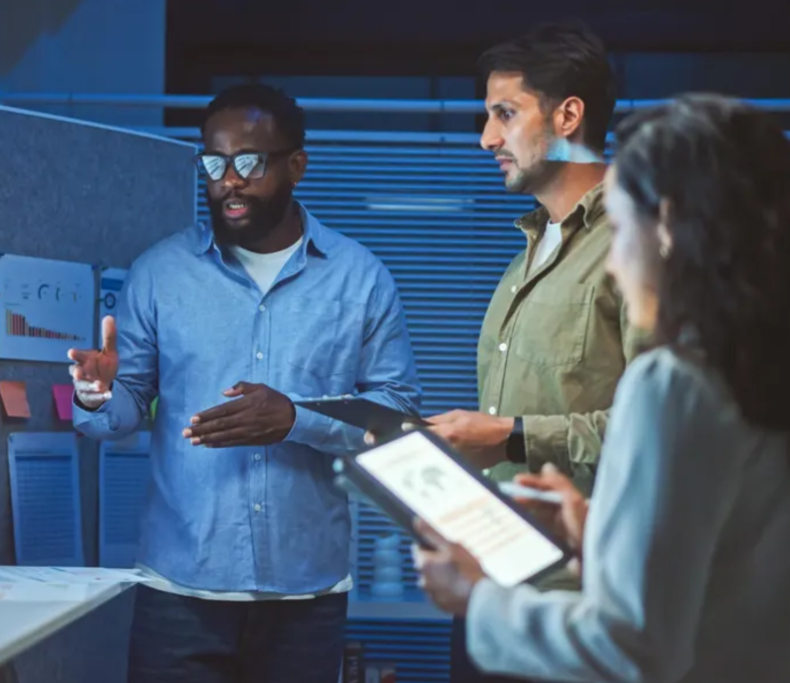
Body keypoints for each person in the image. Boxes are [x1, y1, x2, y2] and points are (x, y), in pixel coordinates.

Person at [413, 93, 790, 683]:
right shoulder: (760, 367)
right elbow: (737, 571)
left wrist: (477, 595)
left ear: (665, 225)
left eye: (618, 226)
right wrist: (603, 537)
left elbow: (631, 650)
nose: (614, 264)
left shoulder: (673, 383)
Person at [67, 83, 421, 683]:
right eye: (214, 161)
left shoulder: (360, 280)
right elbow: (122, 410)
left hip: (304, 596)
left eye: (249, 162)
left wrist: (295, 420)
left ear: (296, 165)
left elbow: (397, 415)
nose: (227, 180)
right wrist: (97, 392)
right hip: (179, 591)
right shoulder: (160, 273)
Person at [418, 22, 641, 499]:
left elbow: (661, 426)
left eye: (505, 114)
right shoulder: (526, 257)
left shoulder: (636, 248)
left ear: (568, 117)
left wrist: (509, 437)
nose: (487, 139)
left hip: (595, 564)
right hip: (517, 556)